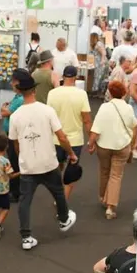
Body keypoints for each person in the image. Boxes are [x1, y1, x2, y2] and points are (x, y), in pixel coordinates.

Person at [8, 71, 77, 250]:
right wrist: (71, 153)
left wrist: (22, 157)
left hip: (28, 166)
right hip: (48, 162)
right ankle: (63, 219)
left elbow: (15, 144)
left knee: (25, 201)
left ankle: (26, 237)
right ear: (35, 90)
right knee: (58, 193)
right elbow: (61, 137)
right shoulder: (47, 111)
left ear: (21, 91)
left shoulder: (15, 116)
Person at [88, 81, 137, 219]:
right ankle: (111, 207)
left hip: (104, 146)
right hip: (122, 146)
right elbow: (133, 124)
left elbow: (96, 129)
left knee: (104, 171)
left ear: (110, 92)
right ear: (124, 92)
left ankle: (103, 196)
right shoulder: (128, 108)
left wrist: (90, 143)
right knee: (116, 175)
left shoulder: (104, 107)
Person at [47, 65, 92, 200]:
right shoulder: (81, 94)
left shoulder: (53, 93)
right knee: (72, 171)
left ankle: (57, 193)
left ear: (63, 76)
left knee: (57, 167)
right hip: (75, 140)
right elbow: (87, 120)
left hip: (56, 138)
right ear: (75, 77)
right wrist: (91, 140)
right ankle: (62, 202)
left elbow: (49, 116)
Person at [0, 69, 28, 203]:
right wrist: (5, 109)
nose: (11, 84)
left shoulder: (20, 98)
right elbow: (6, 110)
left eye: (13, 81)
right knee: (13, 160)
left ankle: (15, 192)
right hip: (11, 133)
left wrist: (5, 109)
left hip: (15, 135)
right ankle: (16, 190)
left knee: (14, 161)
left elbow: (5, 112)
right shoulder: (18, 97)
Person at [89, 32, 107, 97]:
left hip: (99, 63)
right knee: (96, 77)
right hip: (96, 63)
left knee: (98, 77)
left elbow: (103, 53)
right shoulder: (95, 44)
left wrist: (102, 61)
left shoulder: (98, 44)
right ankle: (95, 91)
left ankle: (96, 92)